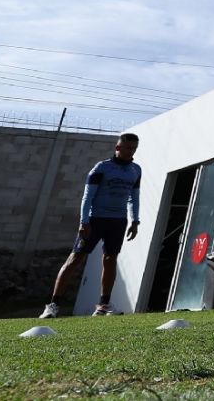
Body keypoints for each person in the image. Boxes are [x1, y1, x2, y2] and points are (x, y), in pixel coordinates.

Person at [40, 133, 142, 318]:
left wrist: (135, 221)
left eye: (134, 148)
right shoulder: (102, 168)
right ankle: (53, 306)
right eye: (128, 148)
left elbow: (133, 197)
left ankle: (103, 305)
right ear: (118, 148)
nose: (131, 151)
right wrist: (84, 221)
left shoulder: (136, 170)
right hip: (95, 219)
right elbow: (87, 197)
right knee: (75, 259)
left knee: (110, 259)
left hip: (118, 221)